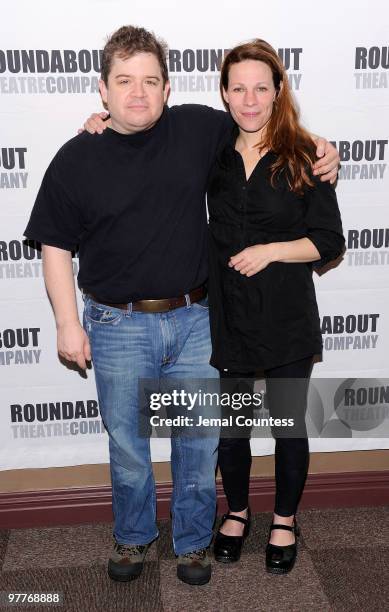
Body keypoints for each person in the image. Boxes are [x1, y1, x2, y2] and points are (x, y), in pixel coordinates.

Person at [25, 25, 339, 586]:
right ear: (103, 90)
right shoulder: (77, 157)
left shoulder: (200, 128)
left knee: (198, 444)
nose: (137, 93)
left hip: (197, 320)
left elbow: (268, 123)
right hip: (116, 325)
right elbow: (55, 244)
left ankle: (194, 542)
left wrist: (322, 147)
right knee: (127, 443)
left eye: (149, 80)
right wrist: (67, 323)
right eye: (124, 81)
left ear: (168, 88)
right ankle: (134, 537)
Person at [207, 39, 345, 574]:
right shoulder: (212, 151)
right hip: (230, 314)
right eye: (238, 87)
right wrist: (100, 121)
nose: (249, 98)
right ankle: (237, 512)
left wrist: (270, 251)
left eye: (261, 87)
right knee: (233, 427)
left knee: (288, 425)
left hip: (286, 313)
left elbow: (328, 241)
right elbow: (147, 137)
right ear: (223, 92)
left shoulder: (304, 154)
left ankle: (285, 519)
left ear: (277, 91)